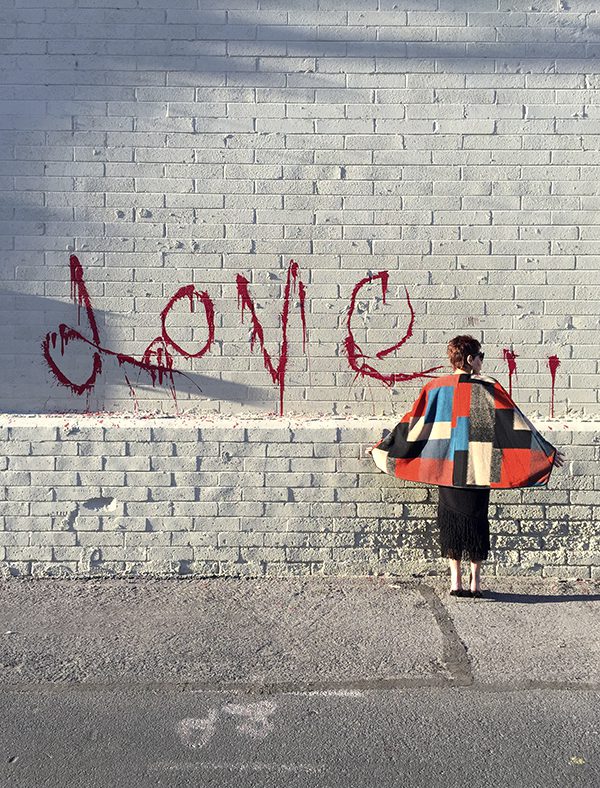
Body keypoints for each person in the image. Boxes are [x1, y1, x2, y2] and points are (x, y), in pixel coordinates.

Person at [368, 335, 566, 599]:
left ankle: (455, 582)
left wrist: (384, 447)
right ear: (471, 359)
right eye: (481, 356)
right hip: (481, 466)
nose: (482, 361)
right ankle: (476, 583)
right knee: (477, 523)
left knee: (449, 522)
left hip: (447, 467)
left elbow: (413, 425)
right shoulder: (489, 386)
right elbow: (516, 423)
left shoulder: (436, 388)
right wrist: (545, 452)